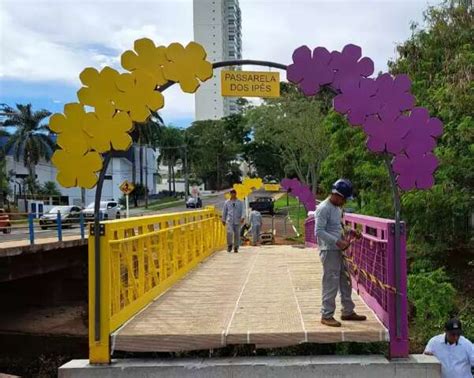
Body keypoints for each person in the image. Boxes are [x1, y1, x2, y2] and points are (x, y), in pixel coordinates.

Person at [315, 178, 366, 327]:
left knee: (345, 280)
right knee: (330, 282)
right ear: (336, 195)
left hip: (339, 250)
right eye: (344, 199)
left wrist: (351, 232)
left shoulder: (337, 208)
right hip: (329, 250)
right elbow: (318, 231)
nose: (344, 202)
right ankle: (326, 314)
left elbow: (338, 226)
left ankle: (347, 311)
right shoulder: (323, 208)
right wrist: (338, 242)